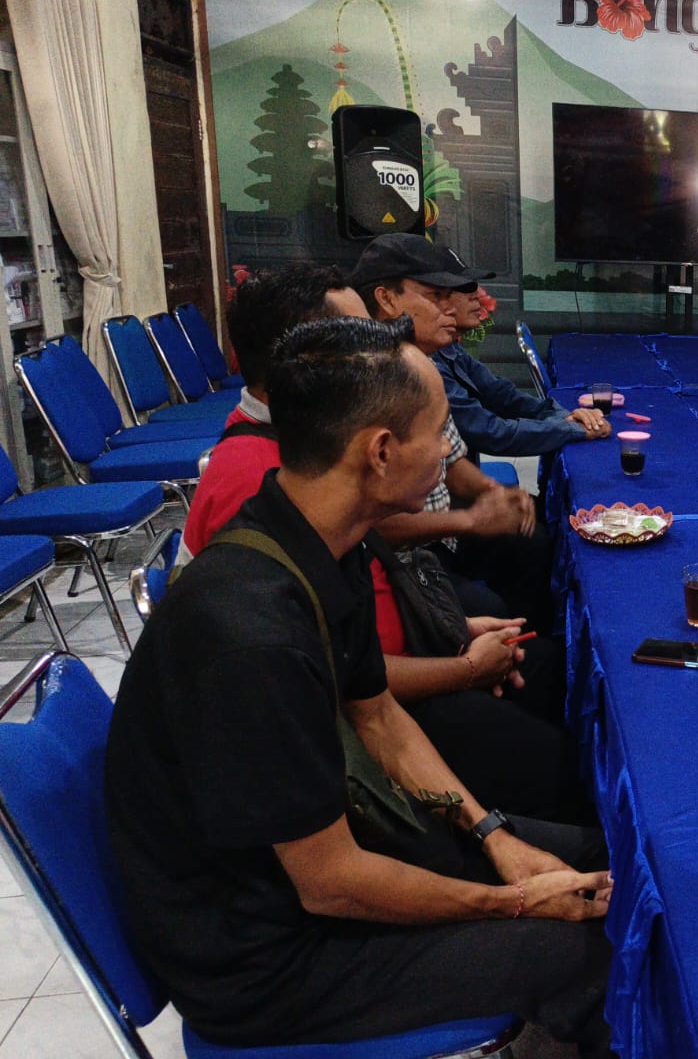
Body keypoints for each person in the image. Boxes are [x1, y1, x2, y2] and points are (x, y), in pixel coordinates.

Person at [105, 317, 613, 1053]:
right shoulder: (247, 634)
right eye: (439, 431)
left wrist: (493, 835)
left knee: (604, 861)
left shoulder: (319, 539)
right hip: (269, 960)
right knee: (593, 953)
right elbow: (331, 882)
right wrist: (509, 903)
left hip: (333, 860)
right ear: (379, 452)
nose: (448, 449)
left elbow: (378, 718)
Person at [180, 263, 588, 821]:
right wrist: (467, 669)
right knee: (569, 777)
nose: (445, 456)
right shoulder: (262, 499)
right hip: (353, 747)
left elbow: (355, 655)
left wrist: (455, 636)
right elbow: (341, 699)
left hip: (393, 679)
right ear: (304, 365)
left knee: (554, 673)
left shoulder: (308, 468)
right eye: (360, 341)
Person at [352, 234, 552, 628]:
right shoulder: (363, 385)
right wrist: (471, 520)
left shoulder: (423, 365)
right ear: (387, 300)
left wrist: (494, 493)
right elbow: (367, 524)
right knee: (488, 603)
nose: (452, 308)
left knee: (533, 542)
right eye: (436, 295)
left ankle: (533, 650)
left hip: (439, 537)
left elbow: (455, 461)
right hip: (396, 560)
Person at [433, 257, 611, 459]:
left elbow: (502, 395)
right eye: (464, 287)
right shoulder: (424, 365)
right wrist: (571, 428)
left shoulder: (447, 348)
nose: (477, 294)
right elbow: (490, 432)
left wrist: (565, 417)